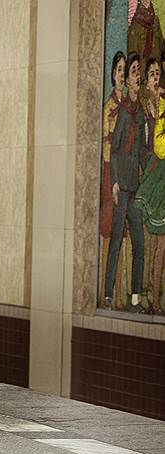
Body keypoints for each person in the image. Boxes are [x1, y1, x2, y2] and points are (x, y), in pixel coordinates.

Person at [106, 52, 147, 313]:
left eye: (136, 72)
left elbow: (141, 148)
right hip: (122, 183)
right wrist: (114, 182)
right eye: (133, 72)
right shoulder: (122, 112)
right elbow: (114, 148)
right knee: (116, 241)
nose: (136, 76)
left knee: (140, 243)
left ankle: (135, 298)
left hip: (136, 186)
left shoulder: (141, 111)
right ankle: (108, 295)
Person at [136, 57, 165, 314]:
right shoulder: (145, 109)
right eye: (152, 74)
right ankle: (148, 292)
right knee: (148, 241)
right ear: (146, 81)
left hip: (161, 180)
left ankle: (156, 294)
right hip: (149, 180)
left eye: (159, 73)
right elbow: (145, 147)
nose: (156, 78)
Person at [101, 52, 126, 305]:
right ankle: (108, 292)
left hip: (123, 172)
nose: (121, 75)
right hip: (110, 170)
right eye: (118, 70)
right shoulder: (109, 108)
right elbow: (107, 145)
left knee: (123, 233)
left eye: (123, 70)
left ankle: (119, 292)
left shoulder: (127, 106)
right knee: (109, 230)